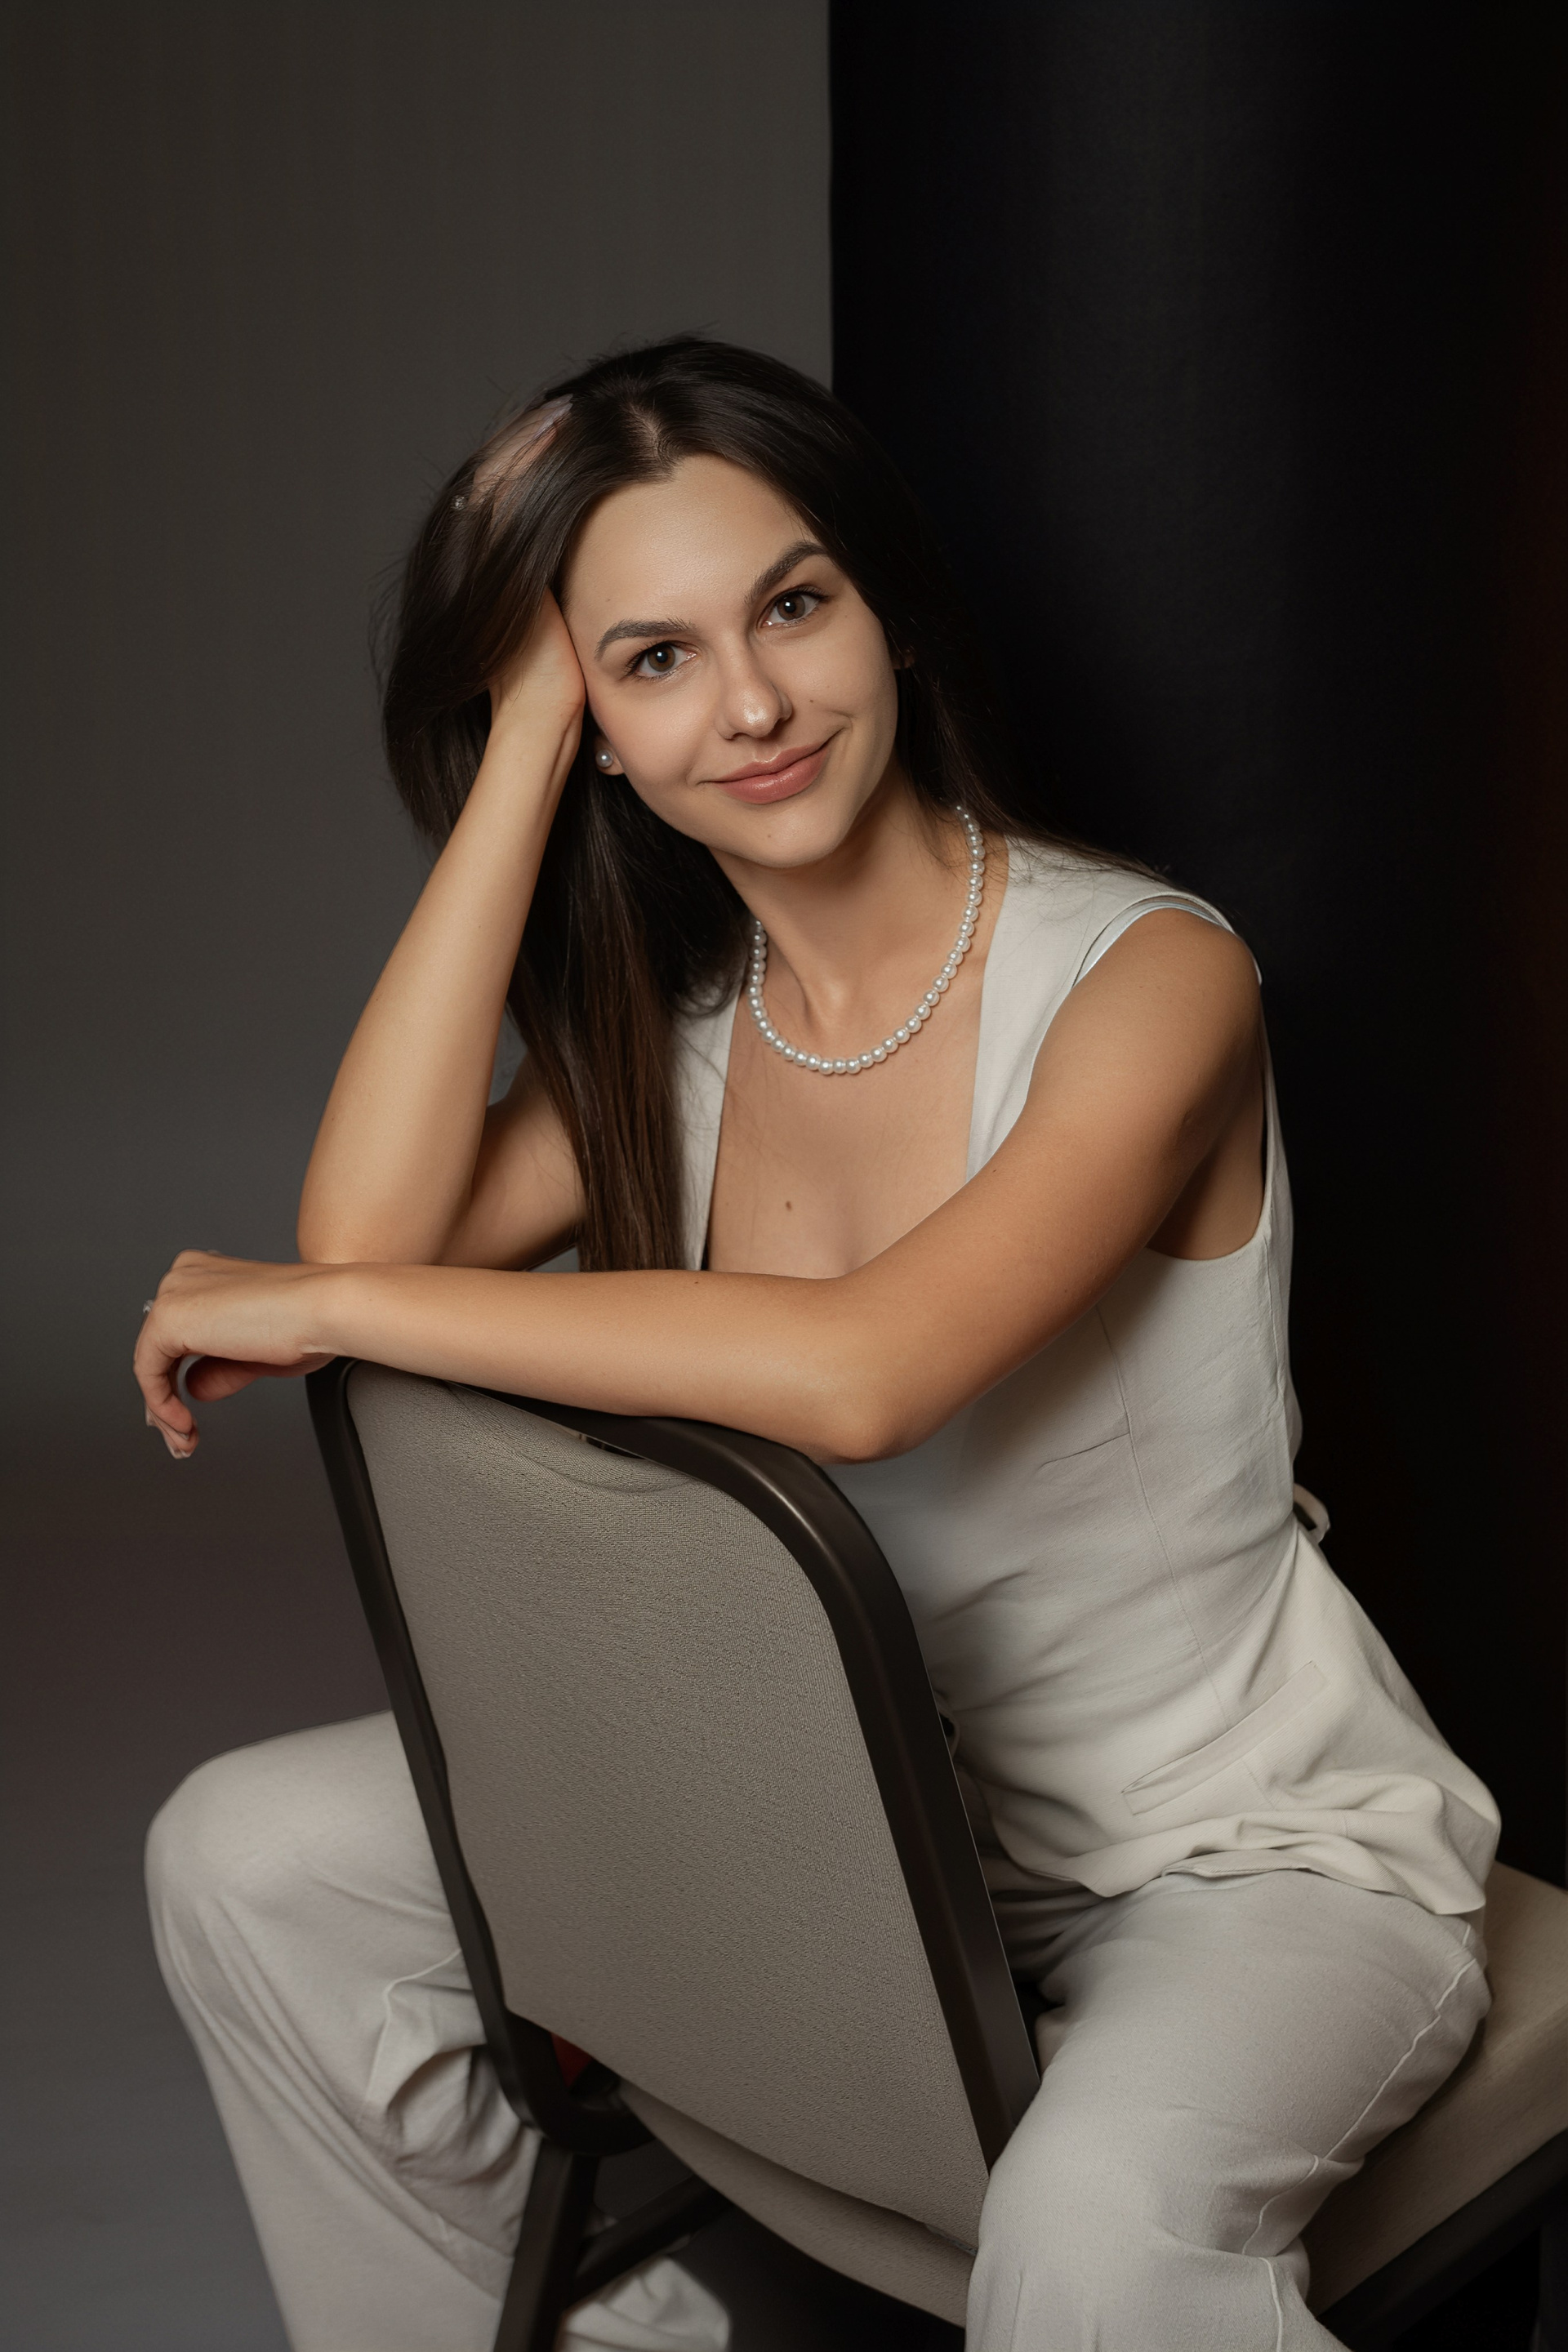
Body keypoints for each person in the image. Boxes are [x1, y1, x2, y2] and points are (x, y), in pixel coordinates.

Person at [139, 337, 1499, 2352]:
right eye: (653, 659)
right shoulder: (682, 1033)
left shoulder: (1152, 977)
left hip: (1229, 1852)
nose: (755, 705)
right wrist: (526, 737)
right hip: (838, 1818)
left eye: (792, 606)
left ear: (890, 615)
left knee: (1095, 2241)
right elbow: (372, 1225)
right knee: (249, 1860)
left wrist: (332, 1312)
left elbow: (870, 1369)